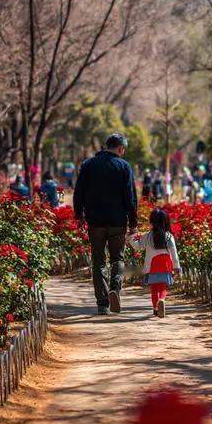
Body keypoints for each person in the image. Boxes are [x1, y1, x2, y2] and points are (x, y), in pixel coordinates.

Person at [73, 133, 138, 315]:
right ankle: (115, 290)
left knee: (99, 262)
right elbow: (130, 197)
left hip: (95, 222)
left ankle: (102, 303)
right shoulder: (124, 166)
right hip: (117, 222)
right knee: (118, 259)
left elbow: (79, 192)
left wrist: (79, 215)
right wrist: (133, 223)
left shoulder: (88, 165)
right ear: (120, 148)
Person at [129, 208, 180, 318]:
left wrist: (132, 237)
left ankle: (155, 309)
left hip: (152, 267)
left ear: (151, 222)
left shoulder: (147, 236)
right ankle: (161, 300)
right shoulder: (169, 236)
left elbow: (137, 247)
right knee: (162, 288)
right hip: (165, 266)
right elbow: (174, 253)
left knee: (153, 290)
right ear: (166, 221)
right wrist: (176, 267)